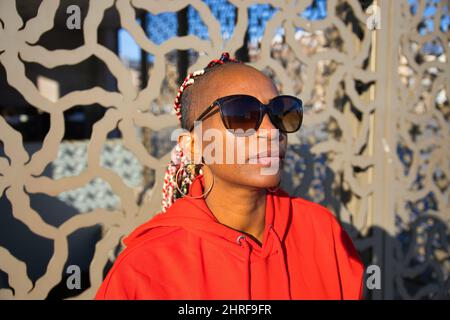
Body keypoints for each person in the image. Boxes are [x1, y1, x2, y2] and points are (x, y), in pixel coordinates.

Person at [95, 52, 364, 300]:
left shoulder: (321, 232)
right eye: (242, 115)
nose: (272, 132)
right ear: (194, 146)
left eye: (281, 112)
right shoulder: (145, 269)